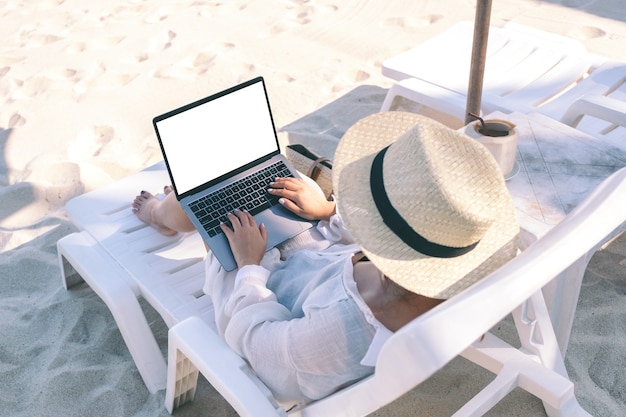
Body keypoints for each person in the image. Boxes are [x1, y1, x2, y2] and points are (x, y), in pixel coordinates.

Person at [132, 112, 519, 406]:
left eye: (367, 214)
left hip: (258, 283)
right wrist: (329, 212)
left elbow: (259, 344)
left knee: (199, 206)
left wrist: (249, 265)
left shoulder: (334, 338)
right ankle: (186, 202)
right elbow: (377, 250)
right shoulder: (442, 289)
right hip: (316, 255)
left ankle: (159, 214)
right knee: (274, 186)